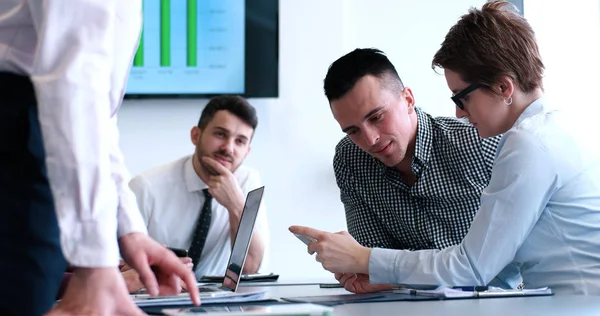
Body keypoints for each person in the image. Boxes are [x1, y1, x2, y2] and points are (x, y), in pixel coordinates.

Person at [291, 0, 600, 295]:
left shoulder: (527, 145)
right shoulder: (549, 131)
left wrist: (364, 259)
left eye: (461, 97)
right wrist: (378, 270)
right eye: (354, 130)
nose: (459, 113)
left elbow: (472, 267)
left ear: (504, 87)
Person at [0, 1, 199, 315]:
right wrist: (95, 265)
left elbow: (98, 120)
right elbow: (72, 89)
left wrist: (128, 229)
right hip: (20, 145)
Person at [293, 47, 521, 287]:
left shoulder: (480, 143)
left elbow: (503, 264)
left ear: (408, 100)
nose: (370, 140)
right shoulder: (350, 159)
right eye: (353, 130)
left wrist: (379, 269)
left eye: (376, 117)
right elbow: (372, 262)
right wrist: (374, 276)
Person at [129, 95, 269, 280]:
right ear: (196, 135)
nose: (228, 148)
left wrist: (236, 205)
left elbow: (250, 268)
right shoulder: (146, 187)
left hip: (220, 303)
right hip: (157, 297)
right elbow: (115, 265)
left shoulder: (248, 182)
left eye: (240, 141)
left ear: (247, 151)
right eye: (220, 134)